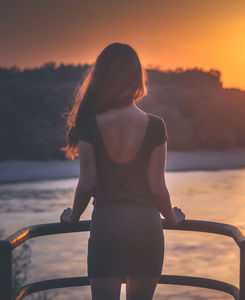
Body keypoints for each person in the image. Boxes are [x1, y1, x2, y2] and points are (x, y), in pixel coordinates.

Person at [59, 42, 185, 300]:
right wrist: (172, 218)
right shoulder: (155, 126)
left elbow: (87, 184)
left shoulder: (89, 124)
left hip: (107, 228)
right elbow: (157, 187)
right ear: (136, 77)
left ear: (101, 77)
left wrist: (73, 217)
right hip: (145, 230)